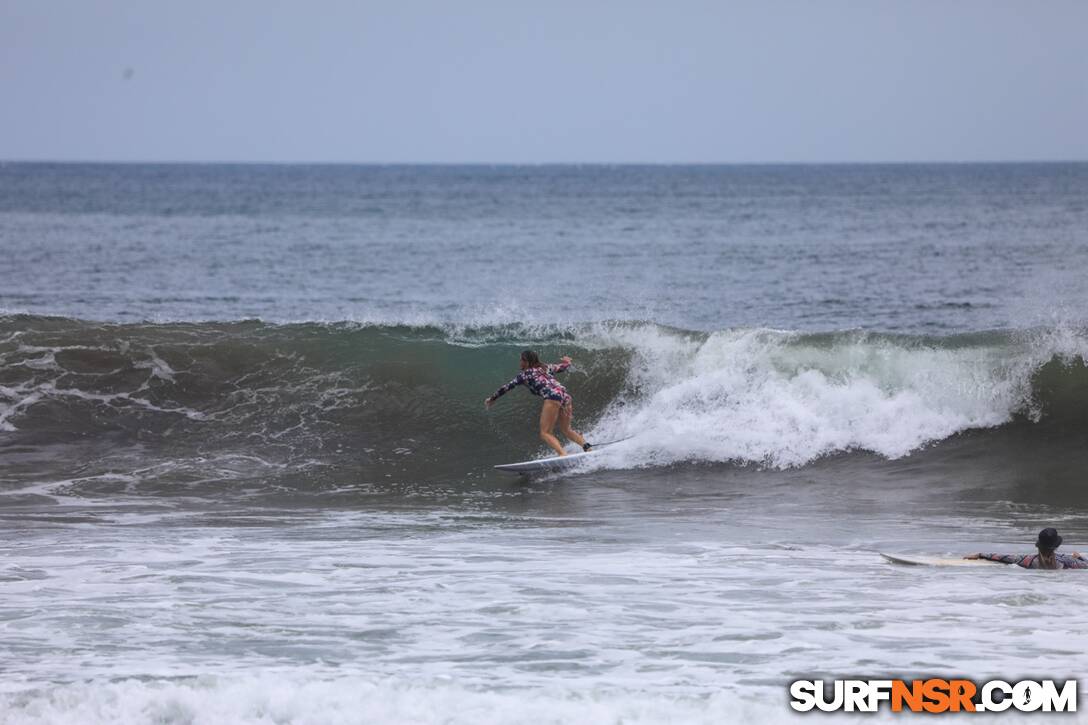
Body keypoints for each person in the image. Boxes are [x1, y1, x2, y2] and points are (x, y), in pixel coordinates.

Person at [485, 350, 590, 457]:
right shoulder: (546, 367)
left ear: (526, 362)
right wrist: (567, 362)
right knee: (567, 429)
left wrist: (492, 398)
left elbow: (506, 387)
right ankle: (587, 447)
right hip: (566, 397)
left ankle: (563, 454)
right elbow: (562, 367)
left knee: (545, 433)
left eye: (521, 360)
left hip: (553, 397)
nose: (520, 362)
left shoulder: (524, 375)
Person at [964, 528, 1088, 569]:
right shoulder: (1066, 561)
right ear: (1055, 547)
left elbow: (1003, 558)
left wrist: (980, 554)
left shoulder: (1028, 561)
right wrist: (1080, 557)